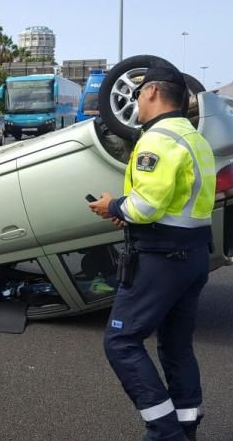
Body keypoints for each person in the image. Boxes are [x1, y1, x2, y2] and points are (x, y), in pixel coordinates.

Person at [88, 57, 216, 441]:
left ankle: (165, 432)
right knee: (176, 346)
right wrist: (129, 213)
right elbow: (171, 200)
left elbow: (145, 207)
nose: (138, 102)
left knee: (121, 341)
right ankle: (186, 426)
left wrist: (113, 206)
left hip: (162, 257)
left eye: (140, 93)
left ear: (153, 92)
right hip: (193, 255)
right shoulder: (193, 137)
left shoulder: (157, 140)